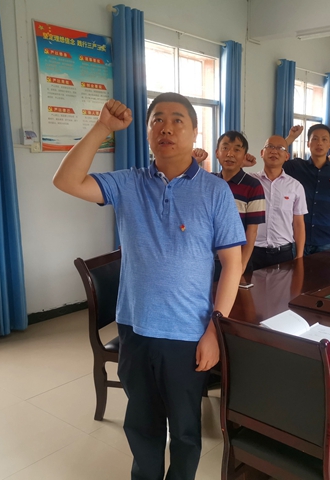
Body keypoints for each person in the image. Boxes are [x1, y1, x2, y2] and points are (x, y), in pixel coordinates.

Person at [52, 93, 245, 480]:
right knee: (142, 425)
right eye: (157, 120)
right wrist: (103, 127)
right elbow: (66, 180)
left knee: (186, 431)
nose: (166, 128)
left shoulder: (215, 191)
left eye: (177, 120)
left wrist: (214, 329)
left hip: (188, 333)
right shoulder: (128, 183)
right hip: (136, 329)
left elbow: (232, 264)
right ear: (147, 132)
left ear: (194, 132)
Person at [279, 124, 330, 254]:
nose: (319, 143)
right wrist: (291, 137)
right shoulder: (296, 167)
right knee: (296, 268)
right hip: (297, 236)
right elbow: (276, 157)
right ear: (308, 144)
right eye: (315, 139)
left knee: (324, 268)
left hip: (326, 238)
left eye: (324, 139)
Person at [250, 135, 308, 269]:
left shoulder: (295, 186)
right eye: (270, 147)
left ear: (287, 156)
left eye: (280, 148)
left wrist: (299, 255)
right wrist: (242, 163)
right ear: (262, 153)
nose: (274, 151)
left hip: (283, 253)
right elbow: (228, 180)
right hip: (253, 252)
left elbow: (298, 224)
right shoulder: (250, 181)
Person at [213, 131, 266, 276]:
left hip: (235, 259)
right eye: (225, 148)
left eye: (237, 150)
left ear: (244, 156)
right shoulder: (210, 182)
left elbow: (252, 231)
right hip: (207, 259)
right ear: (217, 153)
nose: (230, 154)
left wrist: (241, 266)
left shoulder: (253, 186)